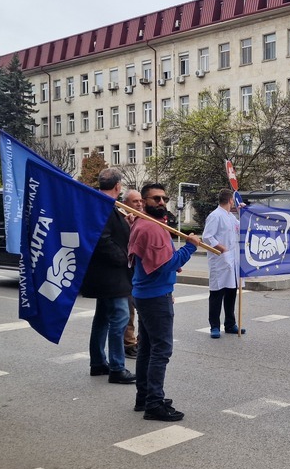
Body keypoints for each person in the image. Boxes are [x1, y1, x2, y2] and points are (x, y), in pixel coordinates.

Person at [128, 183, 200, 421]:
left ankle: (145, 396)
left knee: (147, 349)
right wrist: (190, 248)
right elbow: (163, 265)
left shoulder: (150, 224)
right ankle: (154, 404)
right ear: (144, 202)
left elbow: (160, 259)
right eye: (155, 199)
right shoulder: (151, 228)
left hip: (148, 293)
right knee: (161, 350)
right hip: (154, 296)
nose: (161, 202)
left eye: (164, 199)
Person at [80, 168, 136, 384]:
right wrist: (125, 258)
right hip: (111, 275)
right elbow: (102, 241)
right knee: (120, 317)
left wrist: (127, 225)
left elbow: (111, 234)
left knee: (102, 318)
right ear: (118, 186)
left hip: (105, 275)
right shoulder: (103, 205)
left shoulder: (103, 205)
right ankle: (117, 368)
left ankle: (98, 363)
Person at [202, 188, 244, 337]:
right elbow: (207, 237)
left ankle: (230, 323)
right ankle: (214, 326)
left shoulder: (231, 217)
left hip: (232, 261)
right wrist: (223, 249)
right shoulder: (215, 216)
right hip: (219, 260)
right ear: (230, 200)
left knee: (231, 292)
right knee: (217, 294)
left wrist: (243, 213)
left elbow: (242, 228)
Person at [121, 189, 143, 359]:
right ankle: (129, 344)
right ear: (126, 203)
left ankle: (141, 340)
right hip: (126, 273)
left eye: (140, 201)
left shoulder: (142, 219)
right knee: (129, 311)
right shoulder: (121, 218)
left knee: (143, 309)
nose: (139, 204)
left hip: (141, 272)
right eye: (135, 202)